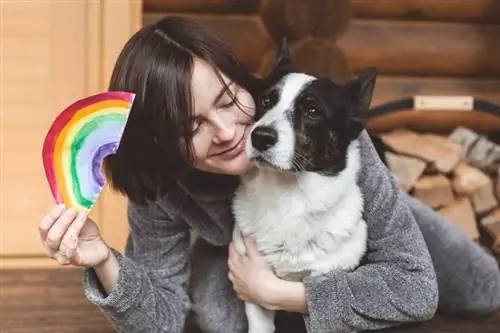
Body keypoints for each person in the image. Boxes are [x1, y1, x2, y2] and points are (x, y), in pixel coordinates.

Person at [38, 16, 500, 333]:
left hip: (343, 221)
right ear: (163, 141)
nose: (226, 133)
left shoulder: (334, 141)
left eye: (226, 101)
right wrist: (103, 259)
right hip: (249, 245)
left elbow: (416, 292)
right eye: (192, 126)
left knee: (482, 288)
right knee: (221, 316)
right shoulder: (162, 186)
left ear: (243, 79)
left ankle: (397, 215)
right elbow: (158, 319)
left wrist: (282, 294)